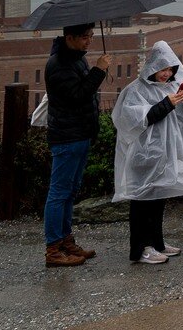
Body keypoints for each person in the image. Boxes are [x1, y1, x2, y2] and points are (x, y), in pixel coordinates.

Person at [111, 41, 183, 264]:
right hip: (143, 155)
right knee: (142, 201)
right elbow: (134, 120)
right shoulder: (136, 90)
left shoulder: (170, 87)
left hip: (164, 153)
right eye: (163, 69)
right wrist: (167, 104)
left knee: (158, 199)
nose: (167, 74)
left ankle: (157, 243)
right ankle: (139, 249)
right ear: (152, 67)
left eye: (170, 70)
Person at [43, 23, 110, 268]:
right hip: (67, 136)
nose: (89, 41)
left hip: (80, 134)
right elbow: (78, 95)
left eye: (91, 36)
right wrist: (99, 71)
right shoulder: (59, 64)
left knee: (70, 191)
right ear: (69, 37)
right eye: (84, 37)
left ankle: (65, 241)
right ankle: (53, 248)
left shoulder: (76, 59)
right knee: (59, 192)